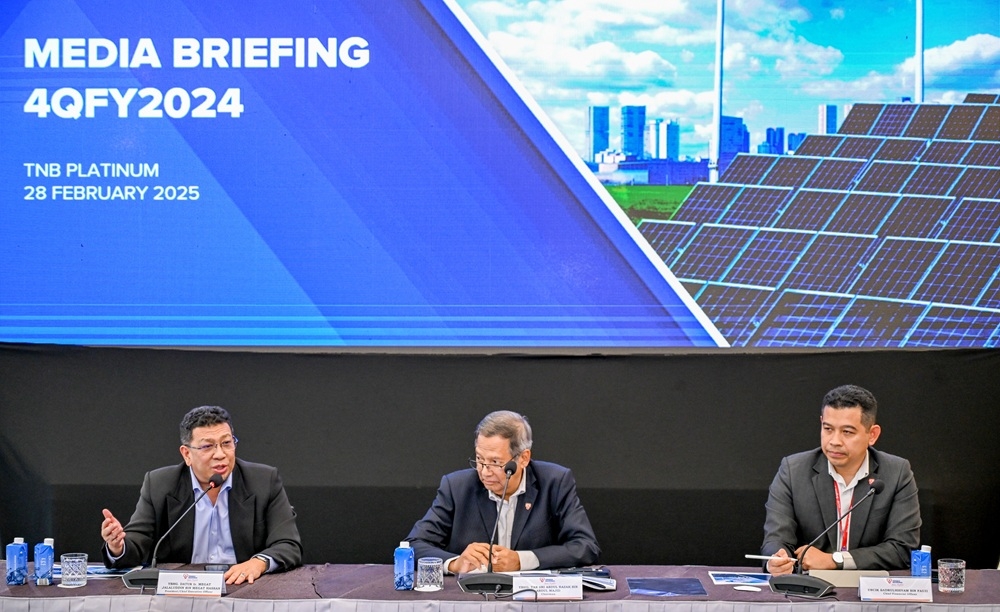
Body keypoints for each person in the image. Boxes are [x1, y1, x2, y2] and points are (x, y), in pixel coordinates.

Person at [100, 406, 302, 584]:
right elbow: (138, 541)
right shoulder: (160, 484)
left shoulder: (263, 481)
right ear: (187, 454)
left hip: (243, 587)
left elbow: (288, 544)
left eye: (227, 443)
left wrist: (258, 563)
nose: (221, 454)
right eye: (207, 446)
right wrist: (118, 546)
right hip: (183, 590)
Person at [406, 410, 600, 573]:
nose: (484, 471)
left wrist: (521, 560)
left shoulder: (554, 482)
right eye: (479, 459)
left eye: (496, 462)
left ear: (523, 458)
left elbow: (585, 546)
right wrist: (456, 563)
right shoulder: (457, 486)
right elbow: (412, 545)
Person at [761, 384, 920, 574]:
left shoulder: (896, 473)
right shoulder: (793, 471)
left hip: (869, 589)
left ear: (872, 434)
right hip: (809, 589)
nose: (834, 441)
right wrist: (775, 560)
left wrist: (834, 560)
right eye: (828, 428)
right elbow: (776, 538)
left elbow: (902, 549)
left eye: (847, 432)